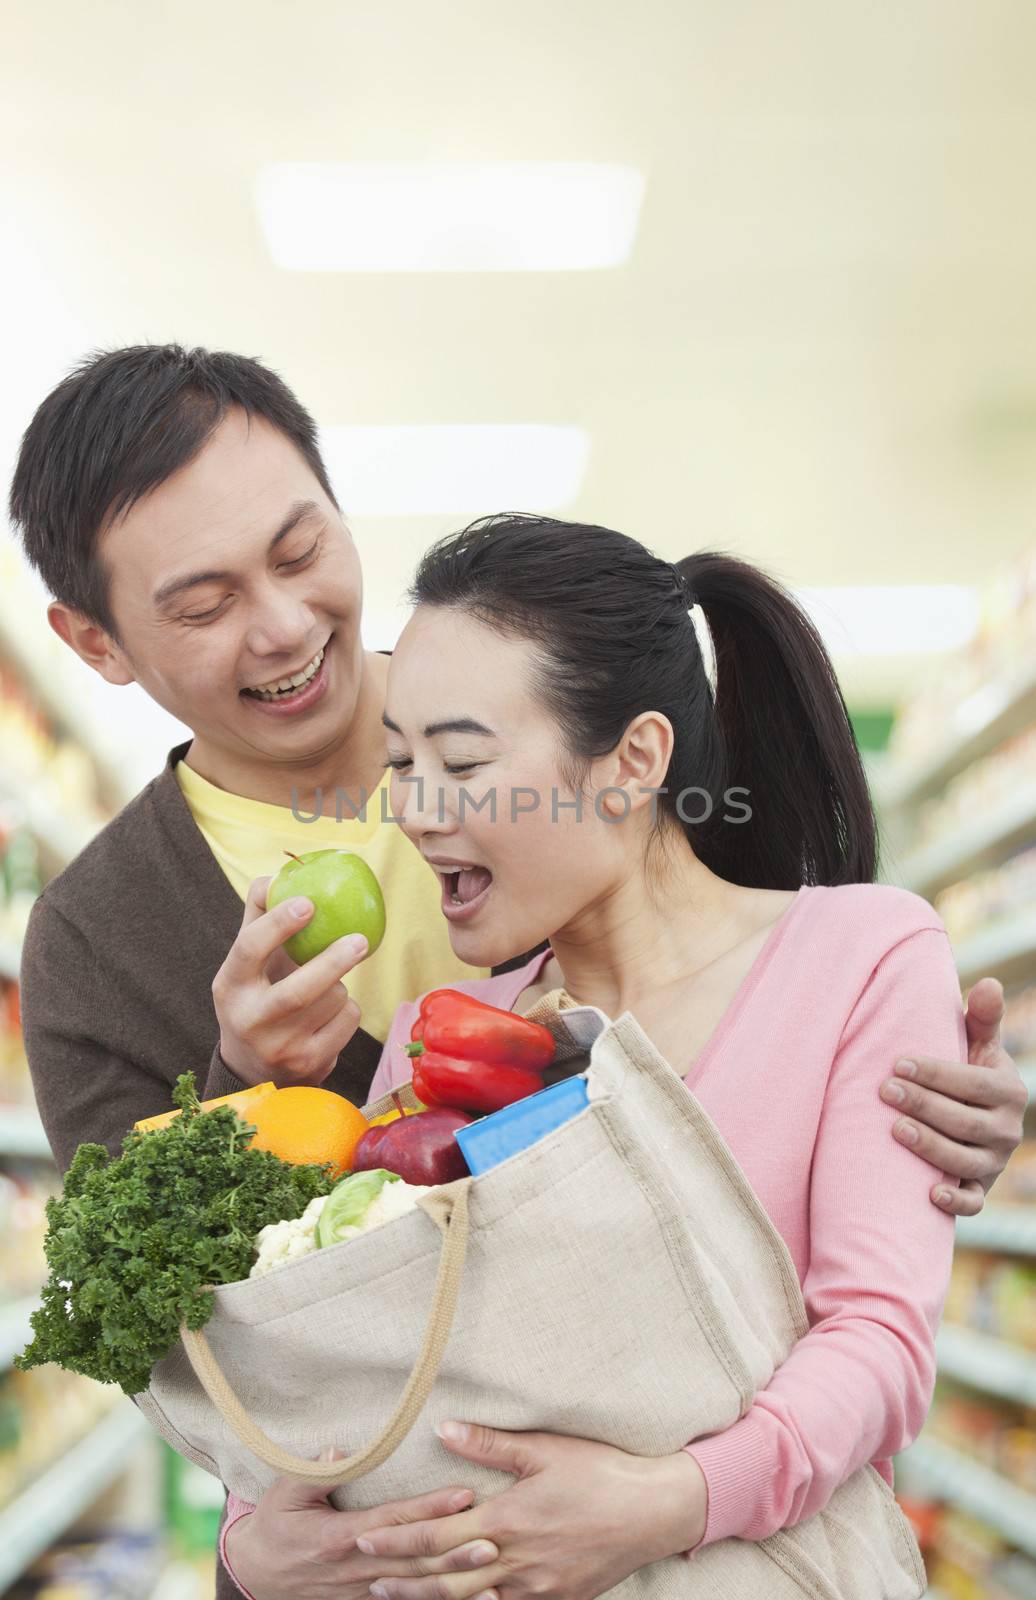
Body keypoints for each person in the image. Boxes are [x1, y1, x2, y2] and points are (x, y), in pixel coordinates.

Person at [8, 351, 1026, 1600]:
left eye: (297, 549)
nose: (282, 624)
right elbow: (167, 1323)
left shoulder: (541, 685)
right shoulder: (99, 941)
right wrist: (247, 1541)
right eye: (203, 602)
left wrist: (939, 1121)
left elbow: (796, 1003)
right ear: (94, 641)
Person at [223, 513, 1026, 1600]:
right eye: (400, 763)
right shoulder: (437, 1031)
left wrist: (672, 1501)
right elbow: (344, 1332)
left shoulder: (861, 956)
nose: (412, 810)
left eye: (461, 760)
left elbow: (879, 1341)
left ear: (635, 759)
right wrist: (250, 1534)